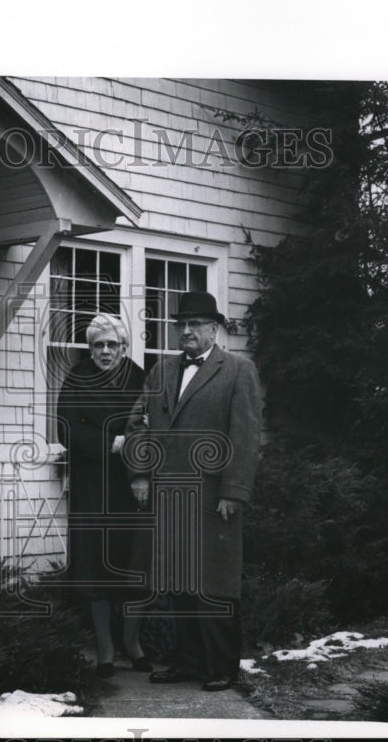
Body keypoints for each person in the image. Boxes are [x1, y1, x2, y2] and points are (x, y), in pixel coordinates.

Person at [124, 291, 263, 691]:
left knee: (214, 585)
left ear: (214, 329)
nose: (186, 331)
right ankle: (184, 663)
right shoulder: (161, 372)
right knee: (174, 583)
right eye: (181, 324)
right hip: (167, 497)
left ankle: (220, 667)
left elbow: (247, 435)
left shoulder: (238, 371)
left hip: (212, 497)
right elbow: (137, 424)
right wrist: (139, 474)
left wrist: (234, 491)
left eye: (196, 325)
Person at [57, 313, 151, 678]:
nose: (106, 351)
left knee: (133, 562)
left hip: (134, 483)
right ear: (90, 348)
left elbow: (149, 422)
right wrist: (111, 442)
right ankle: (105, 648)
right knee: (95, 563)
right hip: (92, 484)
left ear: (124, 347)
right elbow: (67, 426)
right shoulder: (77, 377)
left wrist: (135, 447)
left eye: (112, 345)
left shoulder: (140, 377)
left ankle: (134, 643)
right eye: (99, 345)